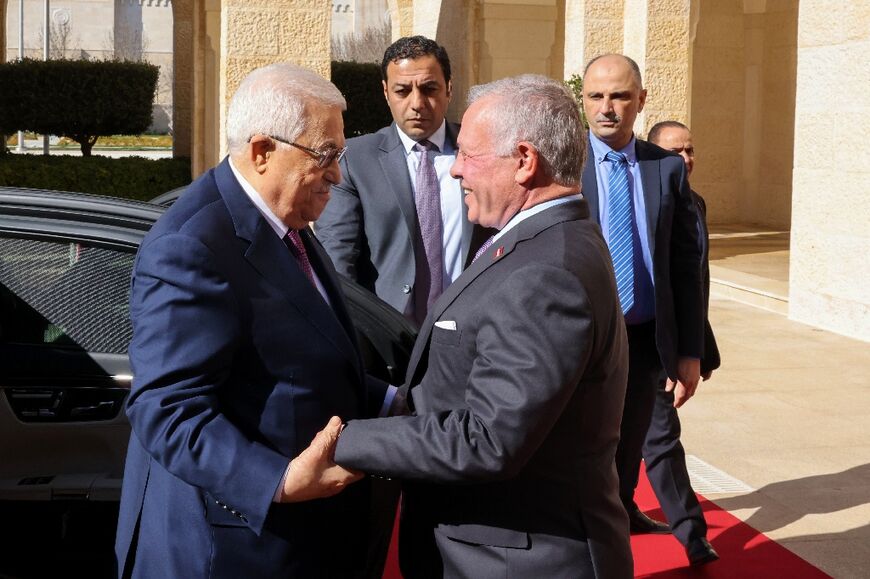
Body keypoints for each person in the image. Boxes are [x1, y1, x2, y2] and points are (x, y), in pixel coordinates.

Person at [331, 74, 633, 579]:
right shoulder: (539, 240)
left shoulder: (544, 272)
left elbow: (489, 440)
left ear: (523, 160)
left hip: (518, 560)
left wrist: (347, 442)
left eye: (468, 155)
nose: (455, 172)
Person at [115, 63, 389, 579]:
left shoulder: (285, 220)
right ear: (263, 151)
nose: (336, 174)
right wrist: (278, 481)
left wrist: (394, 401)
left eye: (341, 155)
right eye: (325, 155)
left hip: (300, 543)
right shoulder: (192, 245)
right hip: (229, 551)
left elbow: (293, 365)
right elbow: (166, 409)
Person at [579, 54, 706, 556]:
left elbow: (685, 268)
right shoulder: (561, 163)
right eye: (596, 96)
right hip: (580, 337)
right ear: (583, 100)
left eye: (619, 96)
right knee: (580, 448)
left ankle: (614, 534)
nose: (607, 108)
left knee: (630, 449)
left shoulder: (667, 168)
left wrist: (690, 351)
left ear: (641, 100)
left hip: (645, 338)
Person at [315, 35, 492, 326]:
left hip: (471, 331)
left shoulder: (483, 150)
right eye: (402, 91)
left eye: (429, 88)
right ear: (385, 92)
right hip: (388, 338)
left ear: (449, 88)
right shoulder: (355, 161)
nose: (417, 103)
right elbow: (338, 258)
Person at [642, 120, 721, 565]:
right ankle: (692, 533)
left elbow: (697, 281)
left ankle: (688, 534)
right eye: (675, 151)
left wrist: (697, 346)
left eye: (690, 149)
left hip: (670, 341)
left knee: (654, 435)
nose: (685, 159)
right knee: (658, 437)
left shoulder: (697, 203)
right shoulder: (639, 197)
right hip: (633, 336)